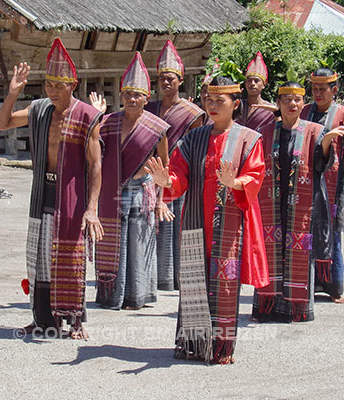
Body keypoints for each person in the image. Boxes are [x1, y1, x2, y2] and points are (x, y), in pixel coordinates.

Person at [145, 74, 268, 365]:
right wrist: (166, 180)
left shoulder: (249, 140)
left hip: (230, 223)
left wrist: (235, 182)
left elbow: (255, 175)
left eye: (220, 101)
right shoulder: (194, 137)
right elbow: (179, 177)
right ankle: (194, 343)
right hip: (196, 222)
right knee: (194, 282)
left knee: (224, 284)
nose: (212, 106)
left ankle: (222, 347)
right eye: (208, 100)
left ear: (235, 103)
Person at [0, 38, 103, 339]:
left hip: (72, 196)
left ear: (73, 84)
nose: (52, 91)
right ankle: (43, 320)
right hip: (42, 192)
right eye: (48, 84)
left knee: (69, 257)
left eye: (59, 84)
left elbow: (96, 166)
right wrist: (13, 93)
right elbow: (3, 124)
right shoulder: (39, 109)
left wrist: (92, 208)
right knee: (40, 257)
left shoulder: (87, 116)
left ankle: (74, 321)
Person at [252, 82, 344, 323]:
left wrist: (327, 142)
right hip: (272, 204)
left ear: (302, 102)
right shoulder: (265, 132)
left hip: (302, 205)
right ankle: (267, 307)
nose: (292, 104)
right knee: (270, 251)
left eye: (297, 100)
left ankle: (297, 309)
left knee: (299, 252)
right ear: (278, 102)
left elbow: (322, 165)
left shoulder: (314, 131)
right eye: (286, 99)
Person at [95, 52, 171, 310]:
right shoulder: (108, 123)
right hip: (113, 192)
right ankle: (110, 295)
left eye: (137, 95)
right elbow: (94, 152)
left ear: (146, 98)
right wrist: (96, 117)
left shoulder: (157, 128)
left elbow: (164, 165)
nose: (131, 99)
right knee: (113, 241)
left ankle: (136, 295)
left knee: (138, 244)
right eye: (127, 94)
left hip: (141, 190)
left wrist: (161, 200)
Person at [144, 39, 204, 291]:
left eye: (171, 78)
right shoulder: (149, 108)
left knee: (177, 229)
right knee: (152, 230)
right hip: (149, 176)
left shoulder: (192, 113)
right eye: (162, 79)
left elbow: (196, 150)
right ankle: (155, 277)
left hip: (179, 178)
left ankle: (176, 278)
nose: (166, 83)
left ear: (180, 81)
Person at [300, 68, 344, 303]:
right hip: (307, 182)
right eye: (314, 88)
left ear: (334, 90)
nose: (317, 93)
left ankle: (334, 287)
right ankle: (308, 283)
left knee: (332, 235)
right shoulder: (305, 111)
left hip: (334, 185)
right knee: (307, 233)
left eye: (322, 89)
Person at [237, 52, 276, 131]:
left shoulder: (270, 110)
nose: (252, 84)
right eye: (249, 80)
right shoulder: (237, 105)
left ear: (264, 85)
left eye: (256, 81)